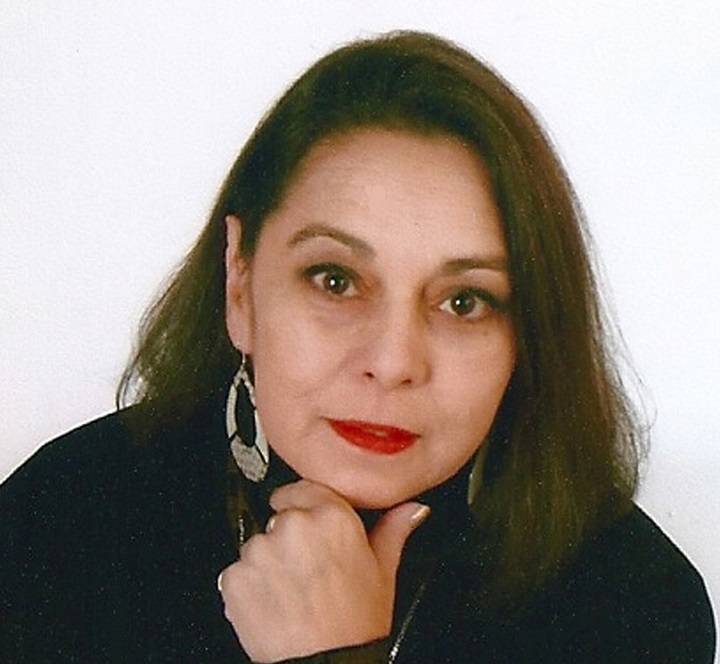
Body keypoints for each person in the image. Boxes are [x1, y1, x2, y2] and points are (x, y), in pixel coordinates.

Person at [0, 30, 715, 663]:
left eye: (464, 302)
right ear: (241, 286)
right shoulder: (58, 526)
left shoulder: (633, 605)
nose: (394, 362)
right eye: (336, 281)